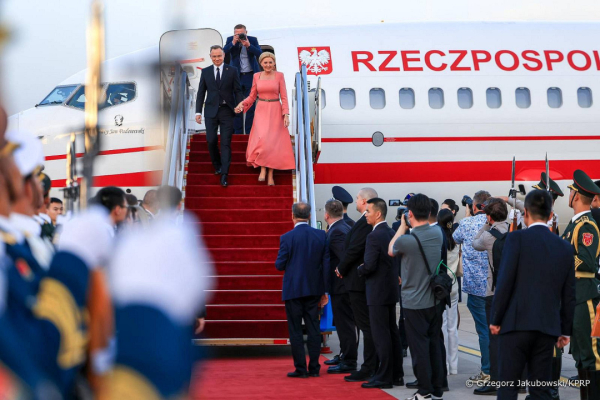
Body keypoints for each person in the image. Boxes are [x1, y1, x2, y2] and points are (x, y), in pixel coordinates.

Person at [105, 186, 213, 399]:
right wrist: (198, 311)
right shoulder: (179, 229)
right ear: (179, 204)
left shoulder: (154, 229)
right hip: (161, 308)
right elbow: (194, 276)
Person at [490, 190, 576, 400]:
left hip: (515, 324)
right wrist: (565, 330)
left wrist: (496, 318)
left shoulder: (515, 239)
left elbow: (505, 281)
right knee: (540, 389)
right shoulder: (564, 247)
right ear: (550, 215)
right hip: (546, 328)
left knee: (508, 386)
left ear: (525, 212)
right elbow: (569, 294)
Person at [389, 193, 445, 400]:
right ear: (429, 212)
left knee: (419, 348)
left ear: (409, 213)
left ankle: (423, 391)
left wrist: (403, 226)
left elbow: (391, 249)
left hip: (414, 302)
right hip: (435, 300)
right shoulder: (438, 233)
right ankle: (437, 389)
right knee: (433, 345)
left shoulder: (407, 240)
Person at [275, 202, 329, 378]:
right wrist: (325, 290)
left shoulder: (287, 237)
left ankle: (300, 368)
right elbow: (326, 265)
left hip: (293, 290)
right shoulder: (320, 235)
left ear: (292, 216)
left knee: (295, 330)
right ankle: (314, 368)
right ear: (310, 216)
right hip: (314, 289)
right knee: (314, 328)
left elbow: (279, 265)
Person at [561, 170, 600, 398]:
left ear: (576, 195)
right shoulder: (575, 224)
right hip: (574, 296)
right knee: (579, 354)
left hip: (584, 296)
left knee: (590, 355)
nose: (570, 195)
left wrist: (560, 258)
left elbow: (586, 261)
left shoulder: (586, 226)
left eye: (571, 192)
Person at [357, 198, 404, 389]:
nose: (365, 214)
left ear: (378, 214)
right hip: (390, 290)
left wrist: (359, 269)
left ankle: (384, 376)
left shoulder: (373, 236)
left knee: (381, 334)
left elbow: (369, 265)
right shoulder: (391, 232)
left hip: (377, 291)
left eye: (368, 211)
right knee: (392, 332)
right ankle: (396, 374)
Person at [335, 187, 379, 382]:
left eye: (358, 198)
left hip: (357, 281)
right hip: (357, 280)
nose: (356, 201)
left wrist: (341, 268)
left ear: (364, 202)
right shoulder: (362, 222)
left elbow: (354, 249)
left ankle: (369, 366)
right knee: (365, 324)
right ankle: (370, 365)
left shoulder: (365, 223)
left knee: (365, 325)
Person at [236, 52, 295, 186]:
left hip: (275, 110)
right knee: (262, 139)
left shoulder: (279, 76)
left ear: (274, 63)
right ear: (261, 64)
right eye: (265, 62)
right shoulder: (256, 76)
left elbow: (284, 97)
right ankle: (263, 168)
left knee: (271, 142)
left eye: (270, 62)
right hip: (261, 109)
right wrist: (242, 104)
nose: (268, 65)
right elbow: (252, 96)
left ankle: (270, 174)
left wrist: (286, 114)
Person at [470, 197, 509, 396]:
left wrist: (486, 224)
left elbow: (474, 243)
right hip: (513, 293)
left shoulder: (487, 236)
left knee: (494, 339)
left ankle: (495, 380)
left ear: (489, 216)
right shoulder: (515, 230)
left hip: (494, 292)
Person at [453, 190, 492, 384]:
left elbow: (454, 238)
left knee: (484, 331)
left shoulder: (466, 223)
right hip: (495, 286)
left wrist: (467, 215)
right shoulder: (498, 224)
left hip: (475, 288)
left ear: (474, 206)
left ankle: (487, 371)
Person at [195, 45, 243, 188]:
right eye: (214, 56)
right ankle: (217, 166)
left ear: (223, 56)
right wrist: (198, 112)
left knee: (225, 143)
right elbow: (201, 93)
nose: (217, 59)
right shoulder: (205, 72)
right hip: (210, 111)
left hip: (227, 111)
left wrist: (240, 104)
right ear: (210, 56)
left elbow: (238, 90)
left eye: (219, 56)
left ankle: (225, 174)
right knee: (211, 140)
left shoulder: (232, 70)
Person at [6, 130, 54, 270]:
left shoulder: (25, 235)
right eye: (35, 178)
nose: (40, 186)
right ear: (26, 187)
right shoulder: (13, 242)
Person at [323, 199, 356, 374]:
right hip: (342, 285)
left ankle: (349, 360)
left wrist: (339, 271)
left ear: (326, 215)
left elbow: (345, 257)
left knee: (345, 324)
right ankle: (344, 354)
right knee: (343, 322)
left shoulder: (337, 232)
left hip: (341, 285)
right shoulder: (343, 226)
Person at [223, 24, 262, 135]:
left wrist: (249, 45)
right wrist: (233, 43)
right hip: (236, 76)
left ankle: (249, 132)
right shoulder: (230, 40)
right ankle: (238, 133)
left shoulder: (252, 40)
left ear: (246, 32)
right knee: (237, 103)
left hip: (250, 76)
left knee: (250, 104)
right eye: (237, 34)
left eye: (241, 34)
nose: (239, 36)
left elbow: (260, 54)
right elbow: (223, 52)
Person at [438, 209, 460, 377]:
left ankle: (443, 364)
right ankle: (453, 366)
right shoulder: (456, 240)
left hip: (440, 287)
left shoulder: (438, 240)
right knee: (453, 328)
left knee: (442, 326)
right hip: (453, 286)